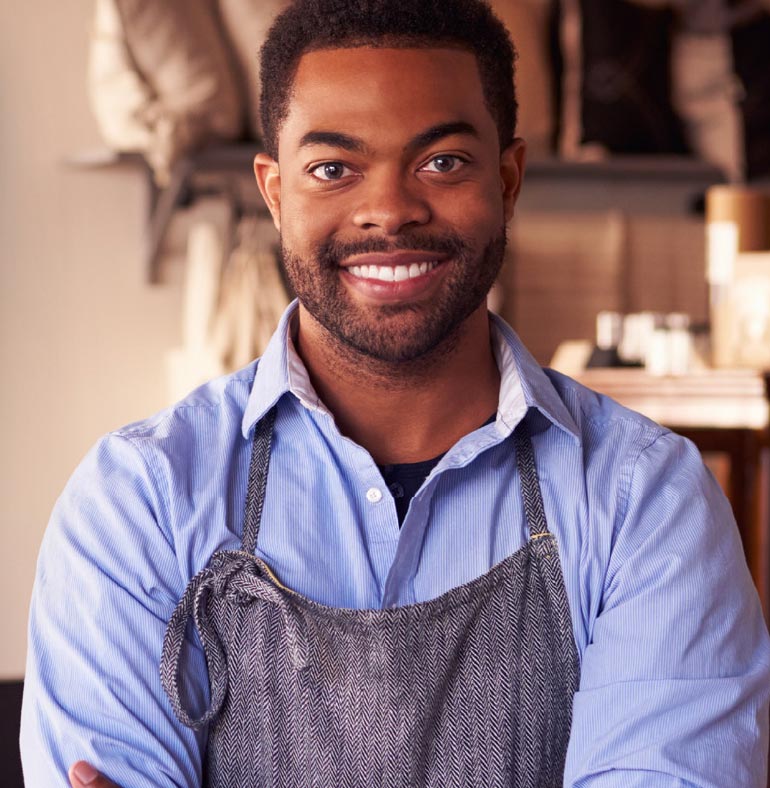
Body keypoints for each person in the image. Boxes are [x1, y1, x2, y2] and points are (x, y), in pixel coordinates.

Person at [21, 0, 770, 785]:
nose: (389, 211)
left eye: (441, 162)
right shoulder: (139, 501)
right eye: (333, 168)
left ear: (507, 180)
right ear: (275, 193)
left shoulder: (643, 500)